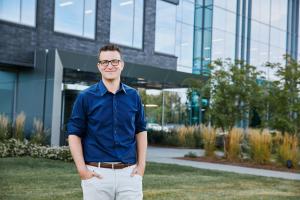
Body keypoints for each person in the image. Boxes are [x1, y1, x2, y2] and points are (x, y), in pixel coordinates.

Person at [67, 44, 147, 200]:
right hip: (97, 175)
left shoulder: (133, 96)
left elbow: (141, 130)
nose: (110, 65)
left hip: (129, 175)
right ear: (99, 66)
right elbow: (74, 134)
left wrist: (141, 165)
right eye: (105, 62)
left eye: (115, 61)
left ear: (122, 65)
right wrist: (82, 170)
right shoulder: (86, 97)